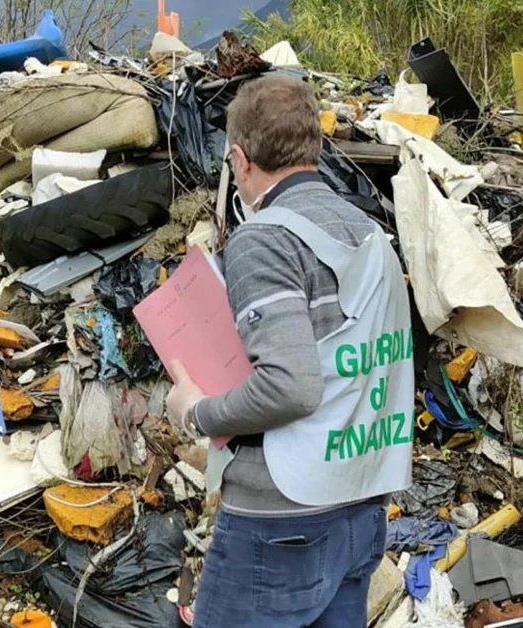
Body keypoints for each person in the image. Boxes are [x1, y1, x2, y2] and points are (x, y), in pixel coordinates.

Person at [166, 75, 415, 627]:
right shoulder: (370, 234)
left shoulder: (265, 239)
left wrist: (194, 413)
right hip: (360, 508)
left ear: (240, 158)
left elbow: (290, 386)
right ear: (316, 146)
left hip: (279, 525)